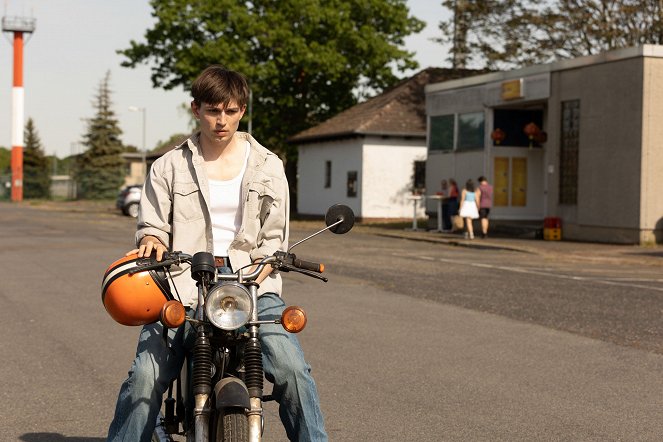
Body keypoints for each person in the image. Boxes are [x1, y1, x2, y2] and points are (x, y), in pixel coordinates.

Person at [107, 66, 328, 442]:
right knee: (144, 378)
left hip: (252, 289)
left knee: (293, 370)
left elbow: (275, 237)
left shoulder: (269, 166)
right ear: (196, 109)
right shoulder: (169, 166)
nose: (221, 120)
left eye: (229, 110)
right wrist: (153, 240)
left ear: (242, 110)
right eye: (212, 110)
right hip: (183, 288)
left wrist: (263, 271)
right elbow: (153, 225)